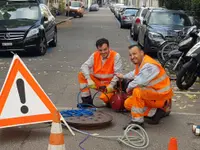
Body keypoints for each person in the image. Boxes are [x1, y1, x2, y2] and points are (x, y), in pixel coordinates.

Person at [117, 44, 173, 129]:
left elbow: (139, 81)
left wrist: (128, 89)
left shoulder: (150, 65)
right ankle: (156, 112)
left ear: (142, 53)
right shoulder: (141, 64)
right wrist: (123, 76)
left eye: (134, 54)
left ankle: (137, 122)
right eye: (130, 55)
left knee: (137, 91)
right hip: (153, 95)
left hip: (161, 96)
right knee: (128, 104)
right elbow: (134, 74)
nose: (132, 57)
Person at [78, 38, 123, 106]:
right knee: (81, 75)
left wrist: (111, 85)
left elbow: (118, 73)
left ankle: (111, 100)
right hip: (98, 83)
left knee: (105, 98)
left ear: (108, 47)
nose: (103, 52)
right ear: (97, 49)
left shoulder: (116, 56)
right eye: (100, 50)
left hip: (110, 85)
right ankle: (87, 101)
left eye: (105, 49)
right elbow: (84, 66)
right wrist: (88, 79)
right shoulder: (95, 55)